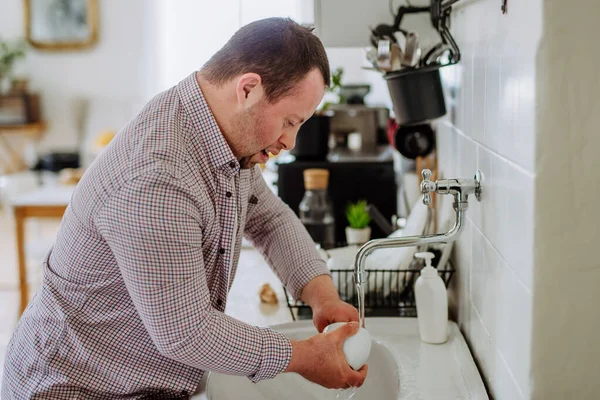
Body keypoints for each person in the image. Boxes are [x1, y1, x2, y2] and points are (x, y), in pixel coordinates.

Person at [2, 17, 368, 399]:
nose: (290, 141)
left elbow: (270, 221)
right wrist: (302, 357)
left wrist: (323, 296)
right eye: (290, 121)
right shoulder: (159, 175)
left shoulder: (222, 136)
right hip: (74, 388)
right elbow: (187, 332)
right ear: (248, 89)